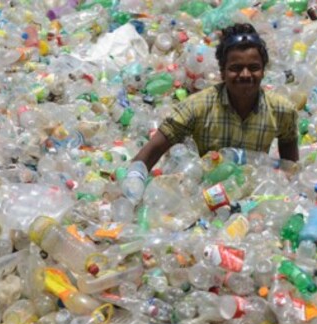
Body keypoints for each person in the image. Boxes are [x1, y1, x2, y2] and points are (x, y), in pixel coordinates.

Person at [125, 23, 299, 196]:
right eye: (235, 68)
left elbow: (290, 168)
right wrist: (133, 185)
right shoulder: (197, 107)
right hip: (206, 198)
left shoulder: (281, 111)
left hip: (253, 198)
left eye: (253, 68)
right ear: (222, 72)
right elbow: (147, 155)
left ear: (263, 71)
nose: (245, 75)